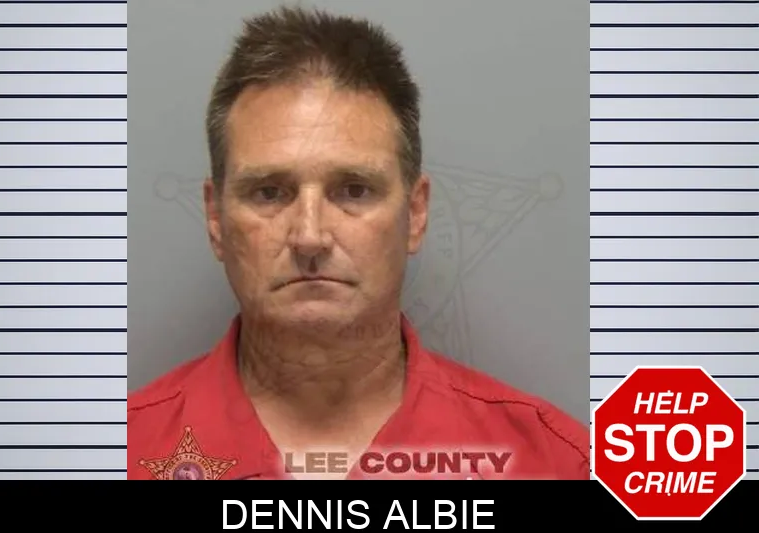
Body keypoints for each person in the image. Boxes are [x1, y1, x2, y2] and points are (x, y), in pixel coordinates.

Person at [128, 5, 589, 480]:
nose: (310, 237)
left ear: (415, 213)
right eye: (269, 193)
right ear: (215, 218)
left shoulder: (554, 464)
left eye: (353, 190)